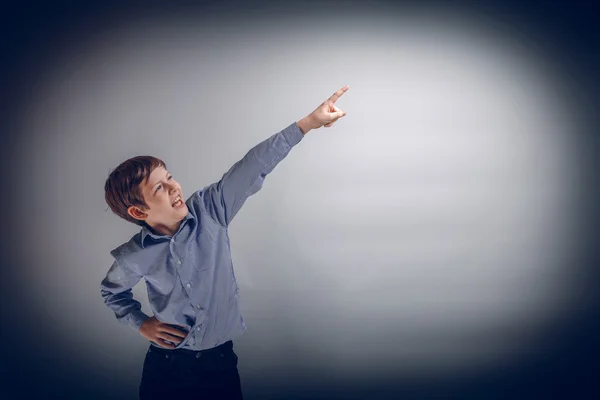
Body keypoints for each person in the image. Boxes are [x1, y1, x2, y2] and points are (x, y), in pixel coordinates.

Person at [100, 86, 350, 399]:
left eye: (170, 177)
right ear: (139, 211)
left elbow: (252, 165)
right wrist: (140, 324)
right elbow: (112, 291)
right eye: (159, 189)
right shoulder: (135, 255)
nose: (174, 187)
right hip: (168, 367)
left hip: (220, 362)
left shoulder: (211, 209)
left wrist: (306, 124)